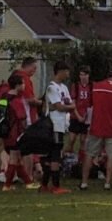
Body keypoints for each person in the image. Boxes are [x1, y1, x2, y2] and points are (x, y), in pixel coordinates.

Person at [80, 67, 112, 191]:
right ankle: (107, 182)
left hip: (96, 125)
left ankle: (84, 182)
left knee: (89, 154)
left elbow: (90, 104)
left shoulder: (96, 87)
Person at [2, 73, 40, 191]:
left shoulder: (4, 97)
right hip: (15, 132)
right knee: (14, 158)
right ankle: (7, 185)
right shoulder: (17, 100)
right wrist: (26, 131)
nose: (24, 86)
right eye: (23, 83)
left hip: (6, 131)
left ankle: (28, 182)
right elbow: (22, 118)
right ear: (17, 85)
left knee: (17, 159)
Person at [41, 60, 75, 195]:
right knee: (55, 155)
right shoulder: (52, 87)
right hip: (54, 124)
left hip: (62, 125)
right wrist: (65, 107)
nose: (68, 74)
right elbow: (59, 106)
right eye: (66, 71)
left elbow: (70, 104)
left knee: (53, 155)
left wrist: (66, 106)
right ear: (60, 71)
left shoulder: (64, 88)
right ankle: (55, 186)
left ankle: (44, 185)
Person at [13, 57, 42, 179]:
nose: (34, 71)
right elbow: (30, 100)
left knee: (14, 149)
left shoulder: (15, 76)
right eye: (34, 68)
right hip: (26, 117)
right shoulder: (24, 78)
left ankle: (13, 177)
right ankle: (28, 177)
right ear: (27, 66)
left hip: (16, 118)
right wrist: (41, 102)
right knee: (28, 148)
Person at [68, 66, 92, 161]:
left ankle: (80, 160)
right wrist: (78, 116)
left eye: (84, 75)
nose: (82, 77)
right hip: (75, 115)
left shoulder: (92, 86)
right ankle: (68, 157)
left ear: (88, 75)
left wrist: (86, 116)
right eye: (81, 75)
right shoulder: (76, 86)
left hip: (86, 116)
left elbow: (92, 103)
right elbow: (73, 102)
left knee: (83, 140)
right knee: (72, 139)